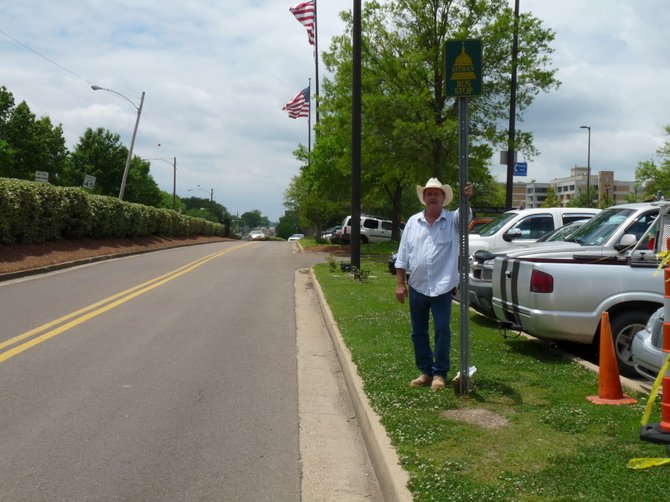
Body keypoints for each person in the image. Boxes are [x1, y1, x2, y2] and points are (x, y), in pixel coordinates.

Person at [394, 177, 473, 390]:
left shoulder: (453, 221)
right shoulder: (412, 222)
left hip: (443, 287)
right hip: (417, 285)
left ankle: (439, 373)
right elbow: (402, 255)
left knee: (441, 329)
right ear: (424, 198)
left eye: (436, 194)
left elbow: (465, 215)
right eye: (428, 194)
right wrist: (400, 284)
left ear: (443, 198)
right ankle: (425, 371)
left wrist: (466, 198)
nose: (432, 197)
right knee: (418, 331)